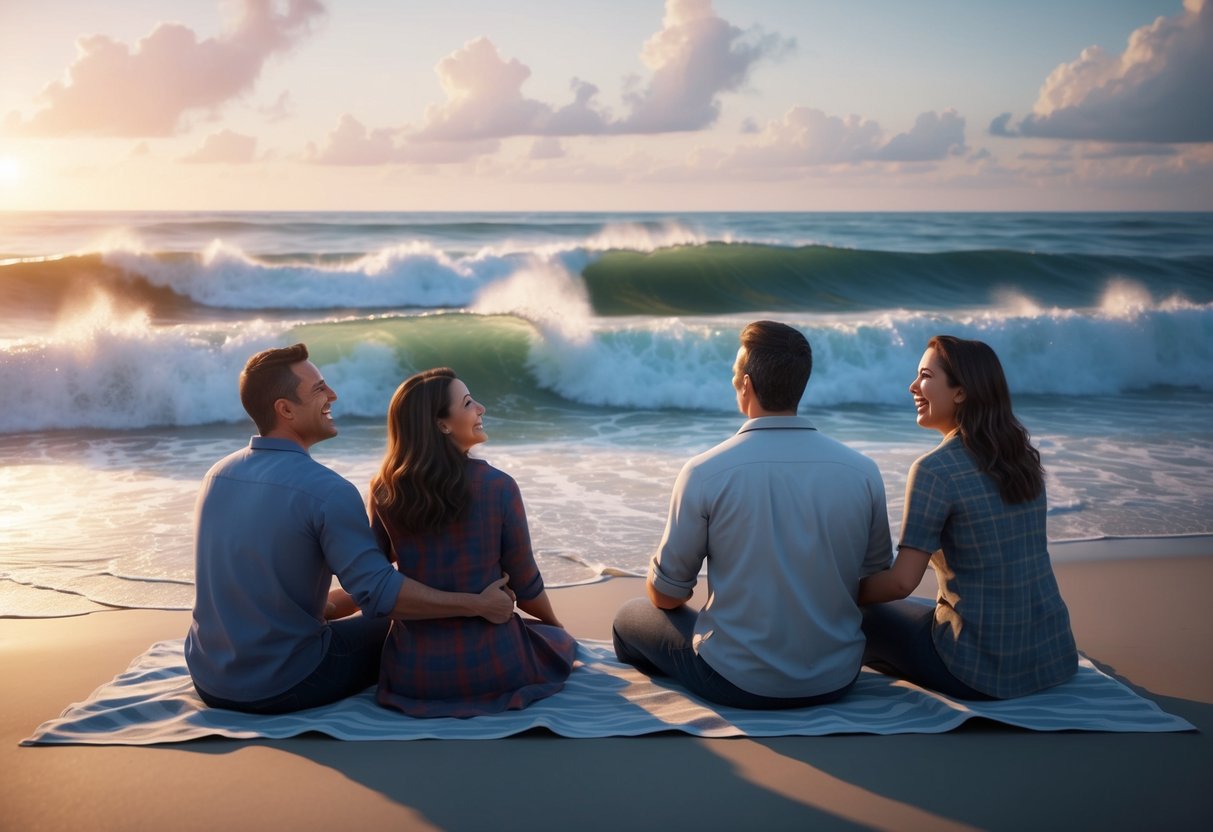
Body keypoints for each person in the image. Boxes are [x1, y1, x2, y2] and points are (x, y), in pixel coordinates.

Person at [185, 344, 515, 715]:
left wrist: (324, 607)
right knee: (399, 626)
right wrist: (476, 604)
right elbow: (380, 596)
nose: (333, 395)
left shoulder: (216, 474)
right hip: (283, 684)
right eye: (319, 389)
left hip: (209, 676)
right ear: (285, 409)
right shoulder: (328, 491)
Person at [611, 320, 893, 709]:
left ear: (746, 385)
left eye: (734, 375)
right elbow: (874, 579)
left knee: (631, 616)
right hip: (837, 679)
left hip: (736, 682)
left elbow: (667, 595)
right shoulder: (862, 470)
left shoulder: (706, 471)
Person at [858, 335, 1078, 699]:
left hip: (978, 668)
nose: (913, 386)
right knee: (916, 612)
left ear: (961, 392)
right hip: (1050, 655)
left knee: (868, 617)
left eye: (925, 376)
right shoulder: (1021, 458)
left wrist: (843, 593)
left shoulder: (934, 470)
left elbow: (900, 584)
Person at [367, 367, 576, 718]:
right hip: (494, 667)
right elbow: (525, 585)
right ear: (442, 425)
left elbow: (375, 582)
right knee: (552, 640)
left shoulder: (384, 489)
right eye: (467, 403)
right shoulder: (498, 487)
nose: (481, 408)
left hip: (413, 674)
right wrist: (557, 627)